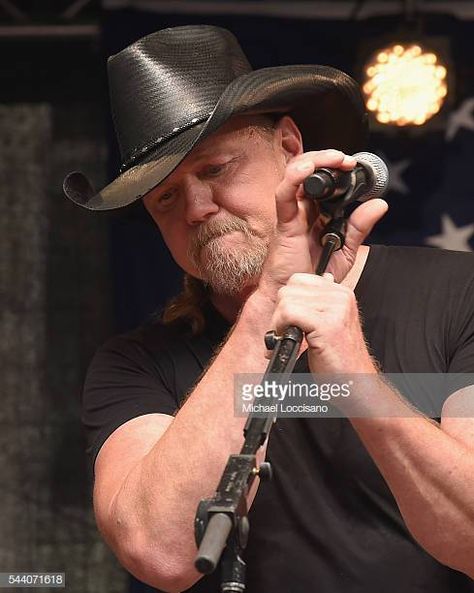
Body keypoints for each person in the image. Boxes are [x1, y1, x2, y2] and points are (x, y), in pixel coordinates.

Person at [64, 25, 474, 593]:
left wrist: (355, 376)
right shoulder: (136, 363)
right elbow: (160, 553)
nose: (198, 207)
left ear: (288, 147)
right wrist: (267, 304)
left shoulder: (458, 292)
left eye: (214, 169)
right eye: (166, 197)